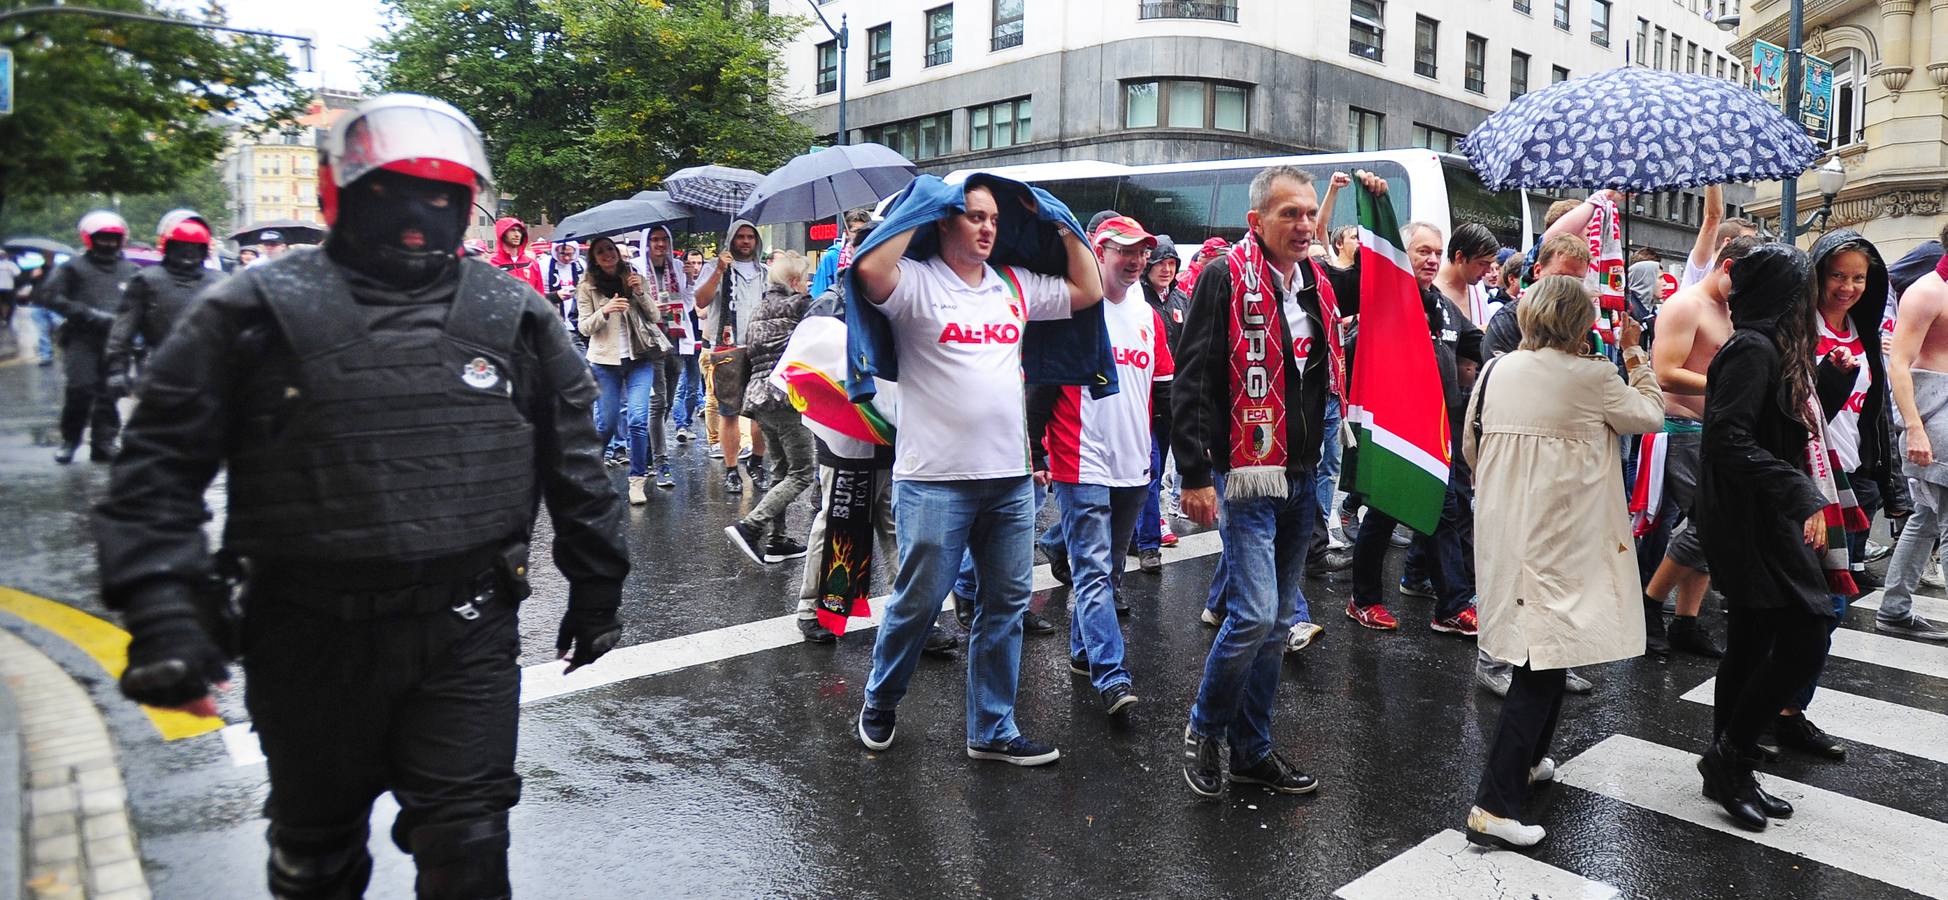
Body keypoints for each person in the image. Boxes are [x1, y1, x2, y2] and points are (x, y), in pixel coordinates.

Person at [94, 93, 628, 898]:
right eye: (392, 193)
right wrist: (164, 609)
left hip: (464, 631)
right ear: (341, 192)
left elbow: (576, 465)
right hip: (305, 636)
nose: (416, 216)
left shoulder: (510, 314)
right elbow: (157, 469)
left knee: (470, 853)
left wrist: (596, 590)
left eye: (439, 196)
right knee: (316, 857)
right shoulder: (252, 309)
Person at [850, 174, 1106, 766]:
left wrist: (1057, 218)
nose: (988, 227)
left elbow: (1087, 288)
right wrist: (929, 201)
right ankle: (881, 698)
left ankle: (992, 727)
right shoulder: (917, 281)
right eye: (974, 216)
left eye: (994, 218)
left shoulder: (1012, 283)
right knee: (919, 603)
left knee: (1006, 606)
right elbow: (869, 270)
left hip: (1010, 479)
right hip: (933, 479)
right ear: (946, 220)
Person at [1173, 166, 1366, 797]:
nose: (1305, 225)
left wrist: (1379, 211)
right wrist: (1195, 473)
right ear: (1256, 221)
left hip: (1302, 478)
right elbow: (1192, 378)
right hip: (1247, 475)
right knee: (1254, 615)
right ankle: (1204, 728)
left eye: (1310, 213)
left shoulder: (1317, 284)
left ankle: (1252, 747)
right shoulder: (1224, 275)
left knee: (1279, 623)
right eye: (1291, 214)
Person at [1462, 275, 1661, 850]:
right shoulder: (1593, 377)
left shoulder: (1495, 370)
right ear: (1580, 324)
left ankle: (1529, 762)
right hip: (1562, 531)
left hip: (1505, 525)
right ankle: (1493, 805)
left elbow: (1472, 446)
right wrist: (1633, 354)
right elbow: (1650, 415)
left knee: (1547, 650)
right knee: (1541, 658)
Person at [1694, 242, 1837, 832]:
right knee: (1806, 632)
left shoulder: (1766, 346)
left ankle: (1730, 764)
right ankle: (1729, 758)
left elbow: (1773, 428)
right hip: (1749, 518)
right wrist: (1799, 493)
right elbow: (1727, 438)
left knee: (1752, 641)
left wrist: (1829, 385)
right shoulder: (1753, 349)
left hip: (1755, 511)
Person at [1028, 216, 1173, 715]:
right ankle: (1112, 675)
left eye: (1141, 252)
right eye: (1124, 251)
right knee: (1093, 573)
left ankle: (1081, 650)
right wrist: (1036, 451)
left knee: (1109, 571)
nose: (1135, 261)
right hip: (1080, 460)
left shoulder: (1148, 316)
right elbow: (1041, 386)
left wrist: (1176, 456)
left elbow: (1163, 393)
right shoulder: (1074, 310)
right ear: (1099, 252)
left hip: (1133, 464)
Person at [1346, 221, 1483, 636]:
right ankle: (1364, 600)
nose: (1433, 259)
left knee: (1442, 513)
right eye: (1423, 251)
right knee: (1384, 515)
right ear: (1402, 256)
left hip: (1436, 432)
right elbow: (1355, 350)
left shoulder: (1443, 307)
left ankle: (1451, 607)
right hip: (1395, 430)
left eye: (1437, 252)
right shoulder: (1386, 304)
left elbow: (1481, 344)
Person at [1638, 236, 1766, 658]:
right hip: (1681, 428)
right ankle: (1650, 604)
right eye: (1745, 280)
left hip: (1716, 430)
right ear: (1727, 266)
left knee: (1712, 528)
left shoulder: (1732, 308)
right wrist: (1731, 385)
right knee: (1711, 526)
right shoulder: (1685, 305)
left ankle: (1686, 621)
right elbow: (1665, 372)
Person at [725, 252, 819, 565]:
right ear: (794, 280)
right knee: (802, 472)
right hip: (789, 396)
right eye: (804, 279)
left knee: (780, 469)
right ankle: (751, 526)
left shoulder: (759, 308)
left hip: (759, 397)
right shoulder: (801, 305)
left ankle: (778, 541)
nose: (807, 285)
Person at [1881, 224, 1948, 640]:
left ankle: (1894, 608)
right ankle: (1894, 609)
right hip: (1935, 411)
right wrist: (1914, 428)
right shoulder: (1926, 291)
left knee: (1925, 518)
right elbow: (1899, 363)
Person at [43, 210, 138, 464]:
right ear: (90, 239)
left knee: (110, 393)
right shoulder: (72, 267)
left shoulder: (131, 270)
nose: (108, 243)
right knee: (80, 389)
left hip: (117, 342)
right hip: (81, 338)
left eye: (113, 238)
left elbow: (143, 303)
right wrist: (85, 313)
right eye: (102, 238)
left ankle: (104, 442)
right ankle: (70, 439)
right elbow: (50, 296)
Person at [578, 236, 664, 505]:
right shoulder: (587, 287)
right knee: (606, 423)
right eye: (601, 251)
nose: (608, 254)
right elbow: (584, 328)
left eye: (611, 249)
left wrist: (640, 293)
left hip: (640, 358)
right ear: (594, 259)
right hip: (605, 362)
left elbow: (655, 316)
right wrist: (605, 310)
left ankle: (637, 480)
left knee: (638, 419)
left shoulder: (635, 279)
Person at [104, 213, 224, 396]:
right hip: (160, 369)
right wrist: (116, 369)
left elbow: (239, 330)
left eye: (194, 248)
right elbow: (122, 329)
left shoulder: (220, 282)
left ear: (203, 250)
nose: (187, 253)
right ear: (169, 247)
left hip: (208, 372)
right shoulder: (147, 280)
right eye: (181, 247)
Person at [694, 220, 770, 495]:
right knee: (729, 413)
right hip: (726, 349)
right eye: (740, 236)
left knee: (762, 412)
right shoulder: (714, 267)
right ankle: (731, 470)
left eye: (750, 237)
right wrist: (718, 271)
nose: (746, 241)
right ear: (731, 239)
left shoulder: (765, 272)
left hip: (761, 348)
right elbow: (701, 301)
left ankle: (757, 463)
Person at [640, 225, 689, 488]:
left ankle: (647, 452)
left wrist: (690, 281)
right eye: (654, 239)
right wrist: (650, 306)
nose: (660, 244)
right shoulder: (637, 269)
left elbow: (690, 301)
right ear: (647, 243)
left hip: (676, 337)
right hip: (651, 341)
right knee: (657, 403)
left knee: (668, 401)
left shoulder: (678, 268)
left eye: (663, 239)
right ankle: (661, 463)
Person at [811, 209, 873, 298]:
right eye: (856, 231)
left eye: (864, 231)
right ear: (846, 233)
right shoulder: (832, 257)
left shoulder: (874, 256)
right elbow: (818, 295)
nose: (860, 235)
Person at [486, 216, 544, 293]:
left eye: (519, 231)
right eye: (512, 230)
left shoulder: (532, 264)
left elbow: (540, 294)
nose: (517, 234)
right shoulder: (492, 264)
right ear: (502, 233)